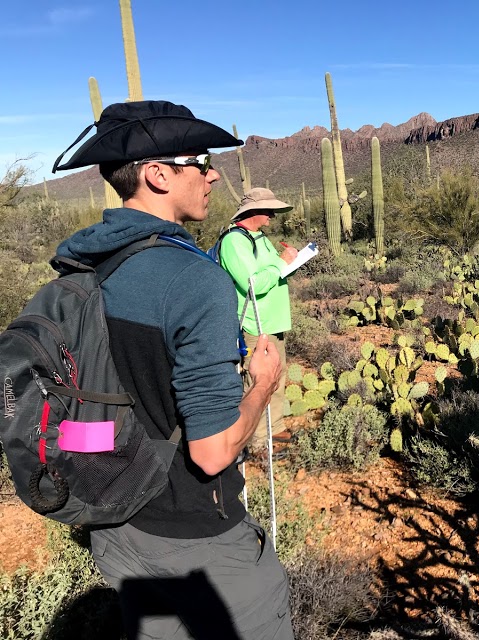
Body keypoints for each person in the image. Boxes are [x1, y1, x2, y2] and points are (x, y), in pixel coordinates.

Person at [52, 100, 294, 640]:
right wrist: (261, 386)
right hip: (198, 539)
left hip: (116, 521)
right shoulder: (194, 280)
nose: (213, 175)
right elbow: (211, 454)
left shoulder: (83, 263)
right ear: (157, 174)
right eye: (201, 161)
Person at [219, 188, 297, 449]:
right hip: (255, 324)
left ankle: (274, 428)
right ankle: (257, 440)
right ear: (253, 211)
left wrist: (289, 262)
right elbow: (253, 283)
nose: (273, 215)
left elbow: (273, 273)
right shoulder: (234, 241)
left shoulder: (260, 238)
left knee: (276, 375)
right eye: (269, 209)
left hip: (274, 322)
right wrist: (281, 263)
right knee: (256, 382)